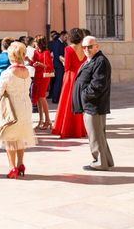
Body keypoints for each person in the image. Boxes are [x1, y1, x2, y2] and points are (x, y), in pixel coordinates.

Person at [0, 42, 37, 179]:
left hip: (11, 108)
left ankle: (12, 167)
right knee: (21, 137)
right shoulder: (27, 72)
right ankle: (21, 164)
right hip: (25, 107)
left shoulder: (7, 73)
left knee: (10, 138)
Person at [73, 36, 115, 171]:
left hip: (94, 105)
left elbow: (98, 84)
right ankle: (106, 161)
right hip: (91, 105)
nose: (86, 49)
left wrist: (84, 95)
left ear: (97, 47)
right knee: (98, 135)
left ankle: (99, 163)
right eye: (84, 47)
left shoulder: (100, 61)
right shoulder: (91, 60)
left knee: (95, 136)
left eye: (90, 47)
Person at [52, 28, 87, 139]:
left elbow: (67, 66)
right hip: (81, 76)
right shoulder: (84, 48)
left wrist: (63, 61)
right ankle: (78, 129)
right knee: (78, 102)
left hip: (70, 77)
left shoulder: (68, 49)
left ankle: (66, 128)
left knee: (67, 102)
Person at [31, 35, 53, 131]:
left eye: (35, 42)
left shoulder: (46, 52)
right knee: (39, 98)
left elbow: (49, 66)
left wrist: (39, 64)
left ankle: (47, 120)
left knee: (42, 97)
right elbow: (33, 63)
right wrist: (29, 60)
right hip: (37, 75)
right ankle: (41, 120)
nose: (34, 44)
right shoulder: (35, 52)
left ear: (39, 43)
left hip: (44, 76)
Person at [48, 31, 67, 103]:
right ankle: (55, 98)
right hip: (58, 65)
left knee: (59, 82)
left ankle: (57, 97)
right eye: (65, 37)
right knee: (58, 82)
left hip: (60, 65)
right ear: (62, 35)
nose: (66, 38)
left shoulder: (61, 43)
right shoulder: (57, 43)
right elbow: (57, 55)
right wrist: (64, 61)